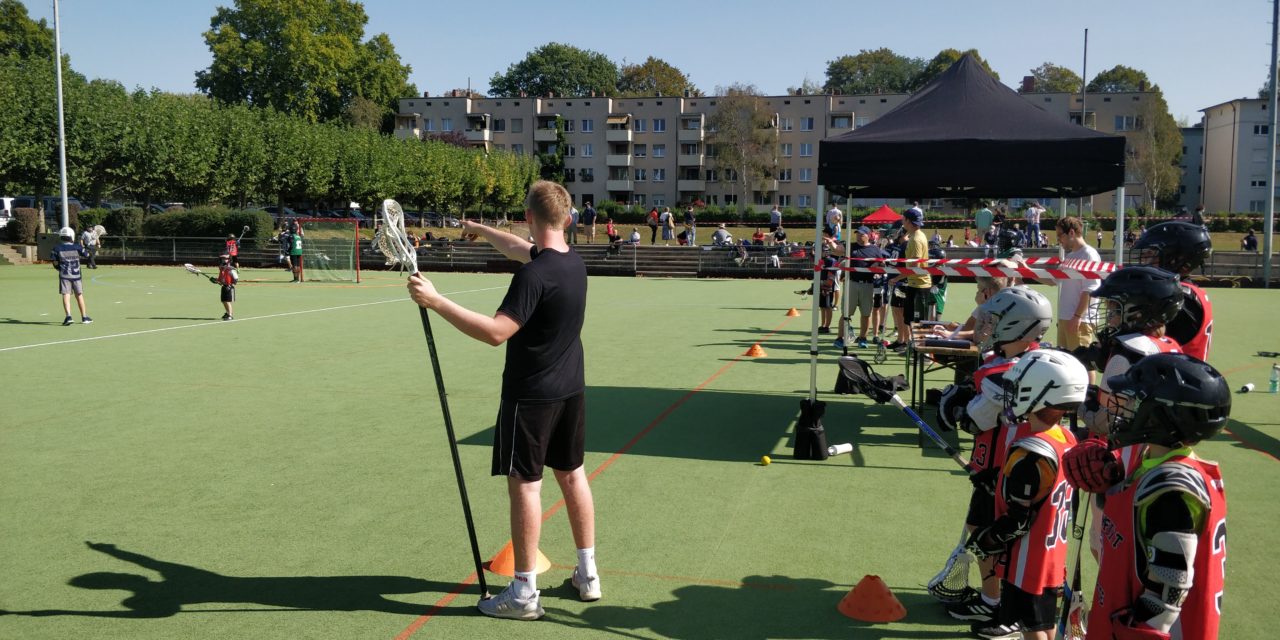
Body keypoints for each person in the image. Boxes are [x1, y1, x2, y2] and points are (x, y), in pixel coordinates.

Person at [405, 180, 599, 621]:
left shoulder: (533, 276)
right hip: (571, 390)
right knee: (573, 474)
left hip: (531, 396)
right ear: (567, 219)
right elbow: (519, 247)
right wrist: (480, 228)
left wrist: (436, 301)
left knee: (526, 485)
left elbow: (496, 332)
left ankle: (524, 593)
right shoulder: (573, 264)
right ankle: (587, 573)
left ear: (529, 217)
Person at [1063, 353, 1230, 640]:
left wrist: (1129, 631)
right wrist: (1110, 485)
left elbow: (1168, 590)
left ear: (1161, 415)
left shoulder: (1172, 488)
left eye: (1132, 402)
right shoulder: (1153, 463)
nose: (1123, 408)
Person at [934, 287, 1052, 627]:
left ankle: (993, 602)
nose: (989, 328)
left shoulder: (1005, 374)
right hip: (1011, 464)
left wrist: (954, 405)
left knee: (989, 536)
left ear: (1017, 326)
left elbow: (975, 419)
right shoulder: (1032, 360)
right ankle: (998, 598)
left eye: (997, 321)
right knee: (985, 530)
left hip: (1002, 470)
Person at [964, 350, 1087, 640]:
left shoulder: (1031, 451)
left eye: (1020, 387)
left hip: (1028, 560)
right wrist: (997, 480)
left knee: (1034, 631)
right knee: (1042, 624)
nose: (1014, 394)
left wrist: (988, 539)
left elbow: (1018, 519)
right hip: (1052, 554)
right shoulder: (1066, 438)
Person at [1131, 221, 1215, 362]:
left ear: (1175, 258)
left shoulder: (1179, 297)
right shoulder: (1191, 292)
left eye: (1151, 254)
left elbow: (1151, 344)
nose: (1145, 260)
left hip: (1177, 374)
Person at [1045, 216, 1101, 352]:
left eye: (1060, 235)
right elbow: (1054, 280)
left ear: (1071, 233)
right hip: (1066, 318)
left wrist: (1077, 317)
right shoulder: (1070, 257)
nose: (1058, 240)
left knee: (1083, 365)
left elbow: (1090, 289)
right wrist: (1025, 272)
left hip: (1080, 320)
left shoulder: (1089, 255)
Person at [885, 208, 931, 352]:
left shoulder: (916, 239)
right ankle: (911, 346)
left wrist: (897, 278)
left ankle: (922, 352)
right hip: (915, 284)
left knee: (917, 322)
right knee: (910, 319)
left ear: (909, 221)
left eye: (903, 219)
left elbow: (915, 266)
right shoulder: (916, 236)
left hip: (919, 285)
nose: (902, 222)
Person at [837, 226, 888, 349]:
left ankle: (862, 338)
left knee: (866, 314)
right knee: (846, 313)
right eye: (857, 234)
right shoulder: (851, 246)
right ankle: (840, 338)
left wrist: (877, 264)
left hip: (867, 284)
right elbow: (837, 250)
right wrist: (831, 243)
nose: (858, 236)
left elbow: (883, 264)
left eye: (861, 234)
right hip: (852, 284)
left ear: (868, 235)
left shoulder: (875, 249)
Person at [51, 226, 92, 325]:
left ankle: (68, 316)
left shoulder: (57, 248)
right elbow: (87, 255)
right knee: (79, 295)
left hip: (64, 276)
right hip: (76, 276)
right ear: (71, 236)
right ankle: (84, 317)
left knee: (66, 295)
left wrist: (59, 269)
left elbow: (55, 262)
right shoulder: (77, 247)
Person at [208, 254, 239, 320]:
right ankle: (227, 313)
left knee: (227, 301)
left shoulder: (231, 268)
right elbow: (220, 280)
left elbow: (236, 279)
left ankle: (230, 315)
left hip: (229, 287)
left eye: (225, 259)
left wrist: (231, 285)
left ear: (229, 260)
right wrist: (215, 280)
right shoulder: (222, 269)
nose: (223, 260)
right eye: (222, 259)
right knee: (223, 301)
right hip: (224, 287)